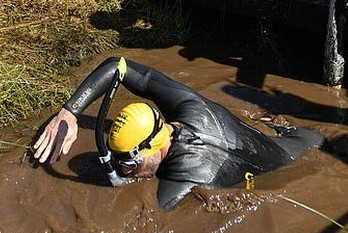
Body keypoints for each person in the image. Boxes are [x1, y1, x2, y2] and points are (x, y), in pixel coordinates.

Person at [31, 57, 323, 210]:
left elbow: (157, 219)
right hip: (291, 139)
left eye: (129, 165)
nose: (122, 170)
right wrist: (70, 112)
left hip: (304, 154)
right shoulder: (187, 105)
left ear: (155, 145)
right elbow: (118, 66)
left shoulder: (190, 175)